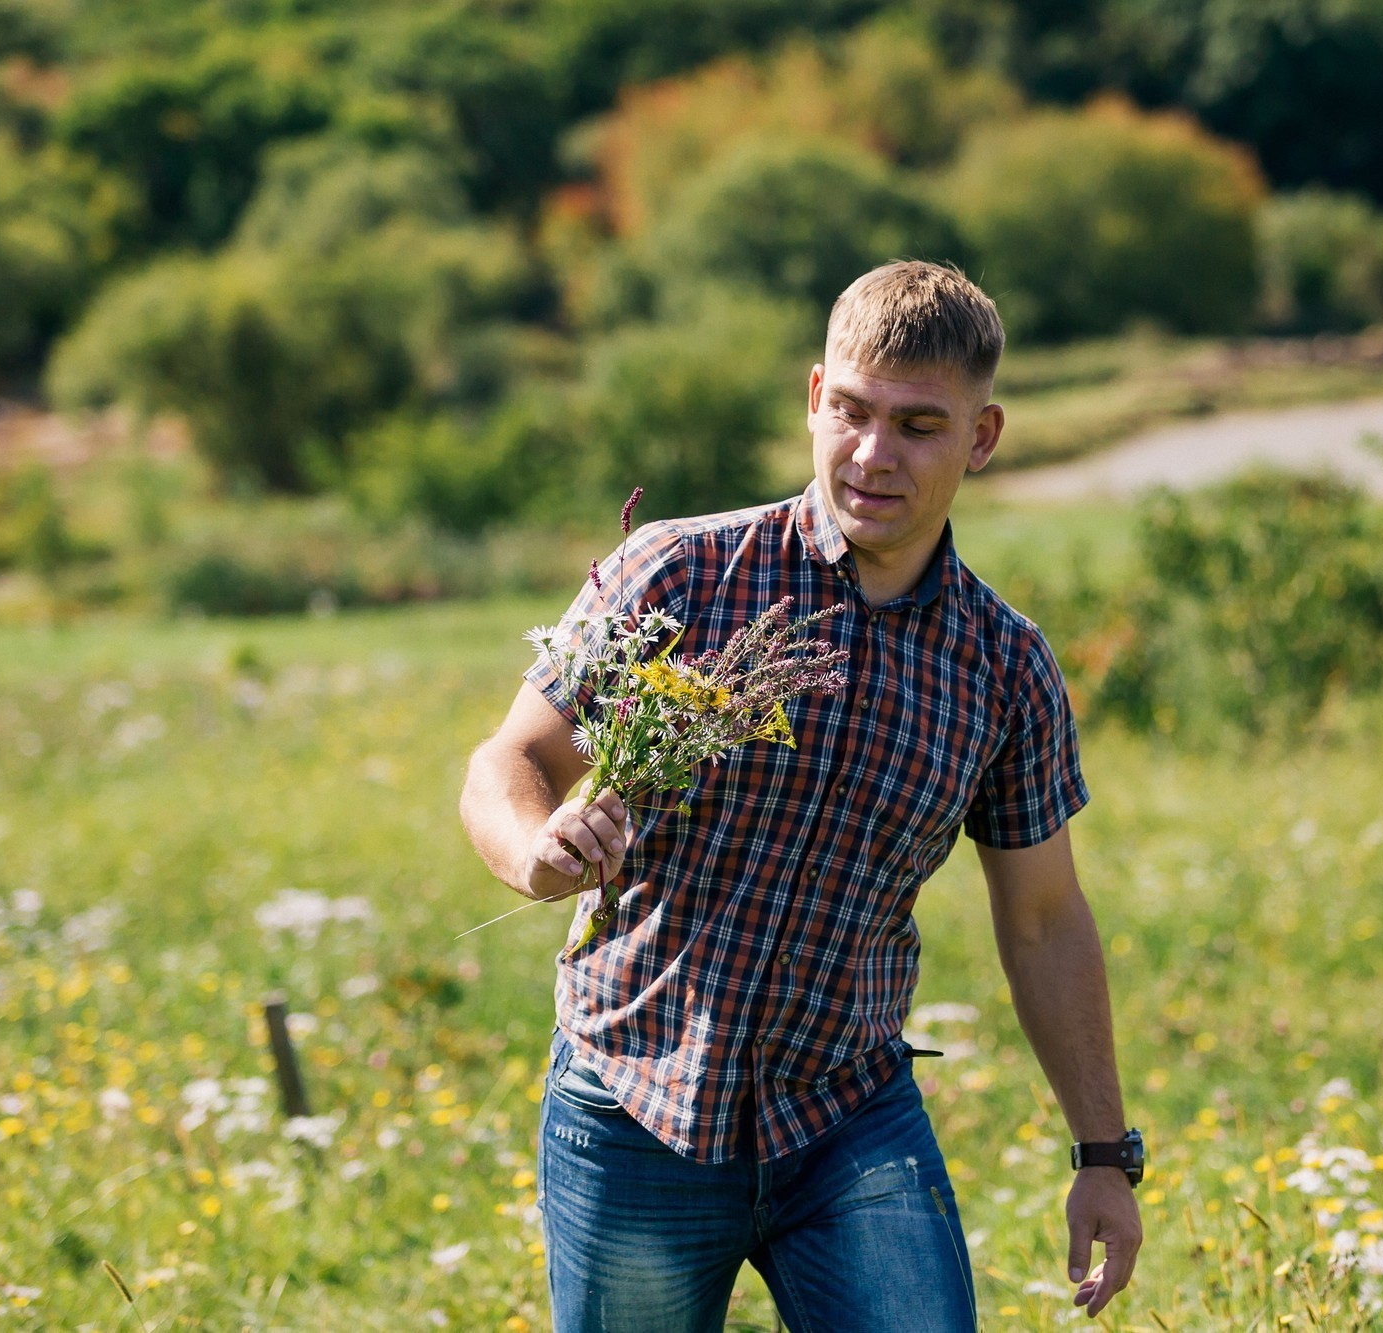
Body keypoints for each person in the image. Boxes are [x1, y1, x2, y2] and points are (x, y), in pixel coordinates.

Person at [460, 261, 1144, 1331]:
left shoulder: (1005, 665)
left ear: (982, 436)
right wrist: (531, 846)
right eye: (855, 413)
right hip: (637, 1101)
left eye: (919, 425)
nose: (873, 455)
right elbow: (511, 759)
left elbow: (1044, 918)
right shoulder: (680, 574)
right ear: (815, 397)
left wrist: (1103, 1154)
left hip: (847, 1117)